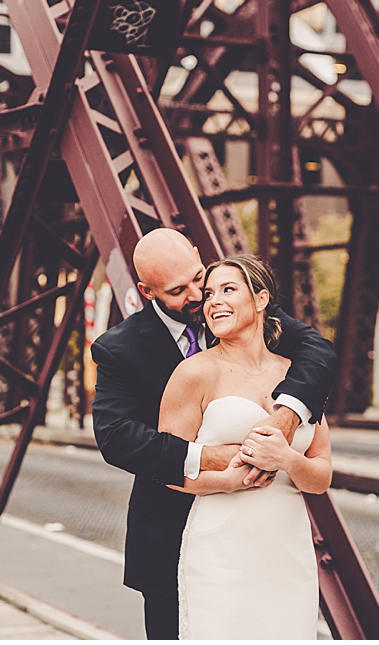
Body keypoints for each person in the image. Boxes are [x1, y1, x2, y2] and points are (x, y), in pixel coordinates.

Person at [91, 229, 336, 640]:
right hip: (172, 531)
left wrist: (284, 425)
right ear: (146, 292)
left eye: (197, 278)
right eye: (178, 290)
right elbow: (117, 437)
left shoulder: (244, 310)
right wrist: (225, 458)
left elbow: (319, 354)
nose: (199, 295)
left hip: (272, 540)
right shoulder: (120, 348)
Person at [159, 254, 332, 639]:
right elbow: (167, 469)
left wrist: (287, 459)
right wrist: (230, 482)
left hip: (288, 547)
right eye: (208, 294)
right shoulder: (194, 373)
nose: (213, 301)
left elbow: (320, 477)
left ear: (260, 299)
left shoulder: (299, 376)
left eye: (228, 289)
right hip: (222, 546)